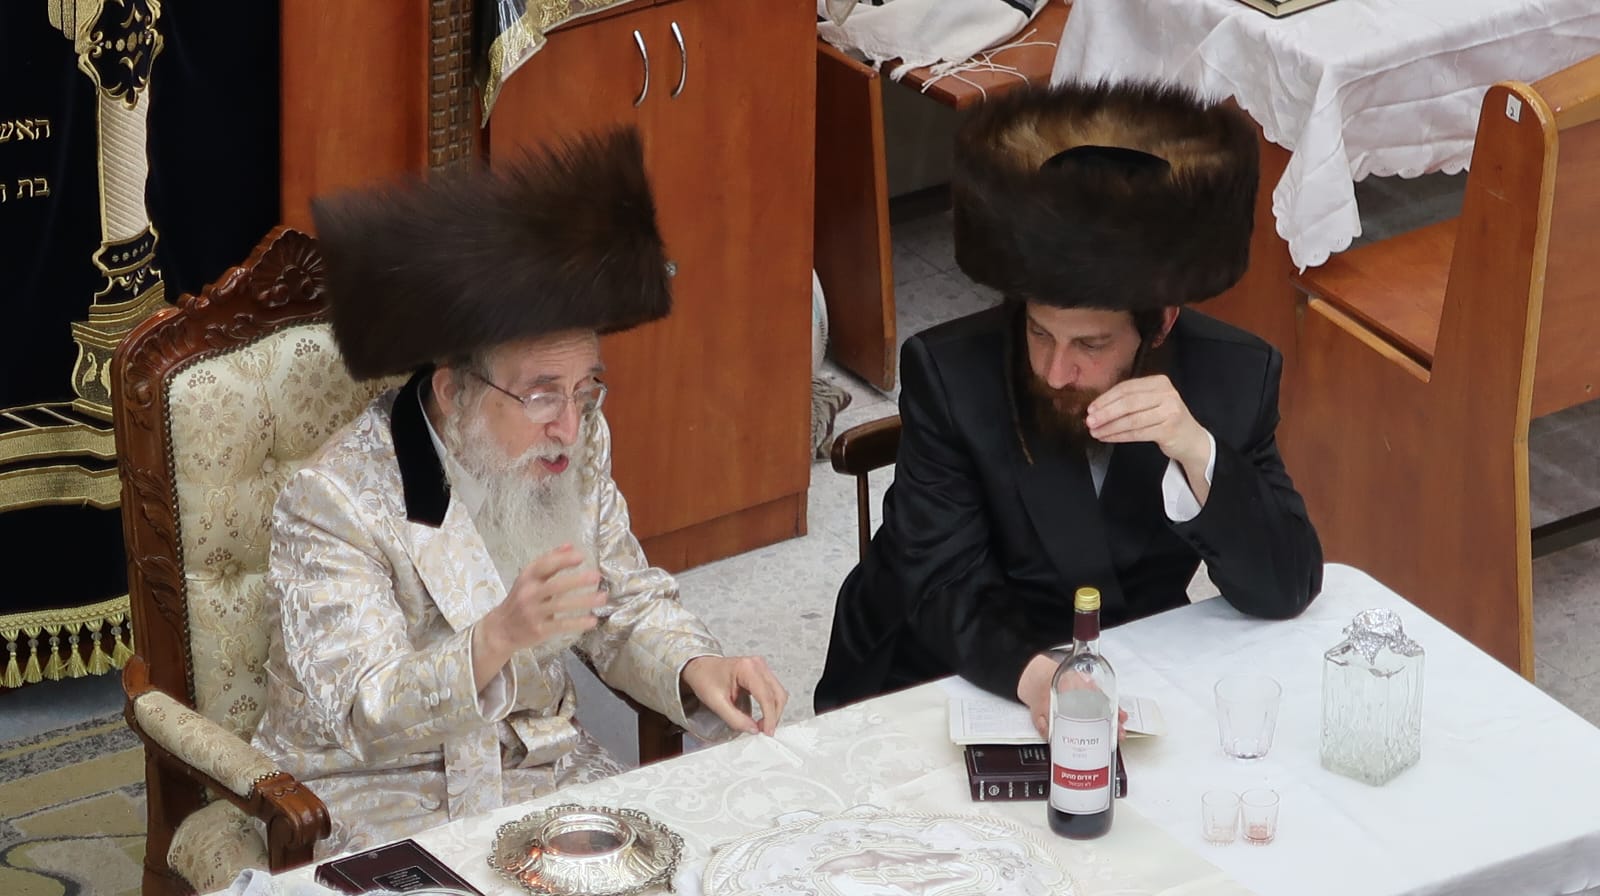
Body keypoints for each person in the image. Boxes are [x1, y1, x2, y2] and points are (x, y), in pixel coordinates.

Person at [250, 127, 787, 856]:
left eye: (585, 389)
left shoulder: (574, 441)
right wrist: (497, 636)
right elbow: (361, 709)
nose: (569, 425)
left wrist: (698, 666)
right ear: (454, 393)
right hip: (380, 797)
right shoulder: (335, 500)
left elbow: (620, 602)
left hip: (540, 775)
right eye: (541, 394)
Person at [814, 82, 1322, 734]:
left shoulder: (1233, 376)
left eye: (1091, 345)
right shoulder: (950, 375)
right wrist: (1041, 679)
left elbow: (1285, 586)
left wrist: (1197, 452)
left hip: (1124, 664)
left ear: (1161, 324)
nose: (1056, 371)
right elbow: (941, 585)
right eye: (1039, 332)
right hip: (942, 668)